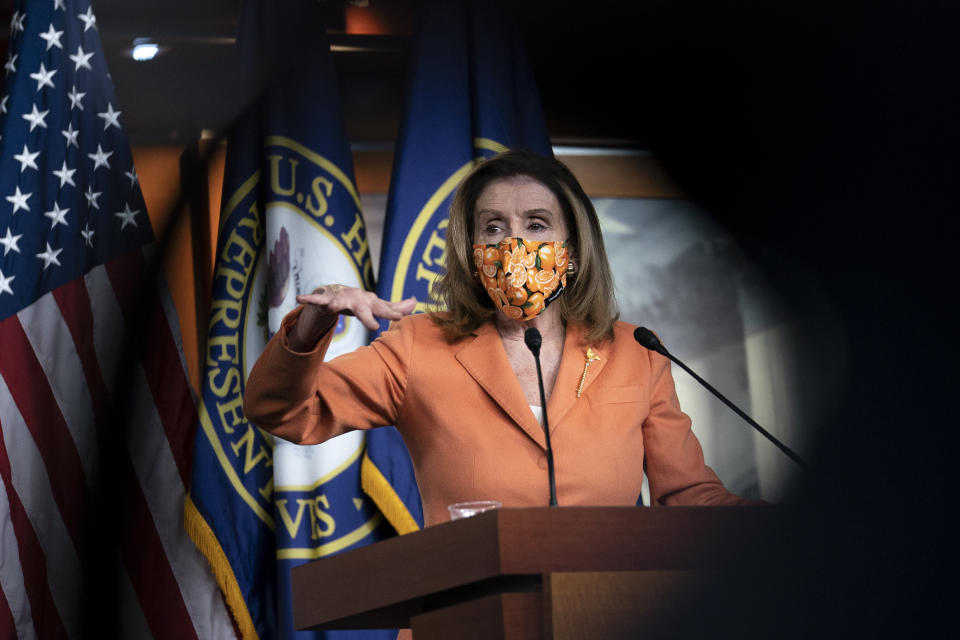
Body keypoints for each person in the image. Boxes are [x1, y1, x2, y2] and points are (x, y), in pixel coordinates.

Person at [243, 149, 754, 528]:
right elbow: (283, 411)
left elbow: (690, 497)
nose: (513, 245)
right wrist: (310, 326)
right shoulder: (419, 345)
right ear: (472, 250)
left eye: (536, 225)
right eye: (493, 228)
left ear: (572, 249)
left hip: (601, 610)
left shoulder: (635, 353)